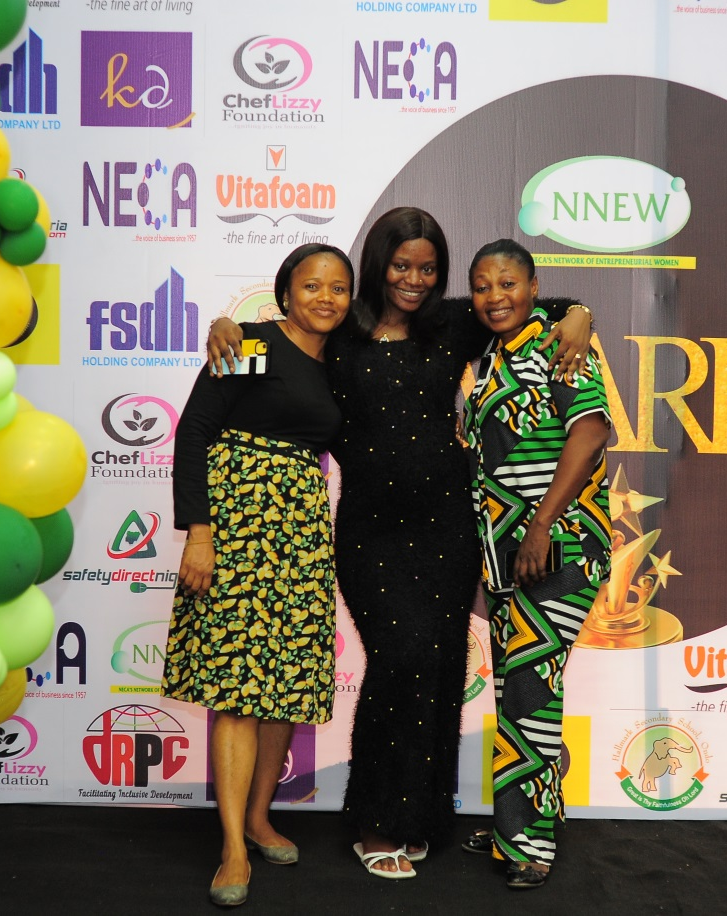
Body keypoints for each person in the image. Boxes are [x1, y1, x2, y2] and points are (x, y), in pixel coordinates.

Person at [207, 207, 594, 879]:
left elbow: (534, 303)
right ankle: (374, 822)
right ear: (378, 265)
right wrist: (224, 327)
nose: (414, 280)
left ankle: (421, 819)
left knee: (439, 668)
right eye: (401, 266)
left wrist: (581, 313)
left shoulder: (451, 324)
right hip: (370, 529)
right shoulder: (341, 330)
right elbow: (270, 348)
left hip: (447, 524)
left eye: (428, 269)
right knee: (399, 660)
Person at [161, 243, 355, 907]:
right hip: (235, 527)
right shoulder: (251, 344)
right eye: (312, 285)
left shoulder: (344, 365)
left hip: (300, 533)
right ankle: (233, 848)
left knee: (287, 687)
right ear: (286, 293)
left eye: (338, 287)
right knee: (237, 690)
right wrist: (200, 533)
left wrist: (575, 311)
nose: (325, 297)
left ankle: (258, 817)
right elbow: (193, 433)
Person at [460, 238, 612, 890]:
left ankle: (529, 845)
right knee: (521, 692)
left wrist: (542, 523)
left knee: (530, 694)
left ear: (533, 287)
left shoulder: (559, 344)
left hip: (557, 547)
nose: (495, 296)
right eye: (482, 285)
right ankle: (516, 822)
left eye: (508, 283)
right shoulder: (494, 355)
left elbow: (590, 430)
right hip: (509, 557)